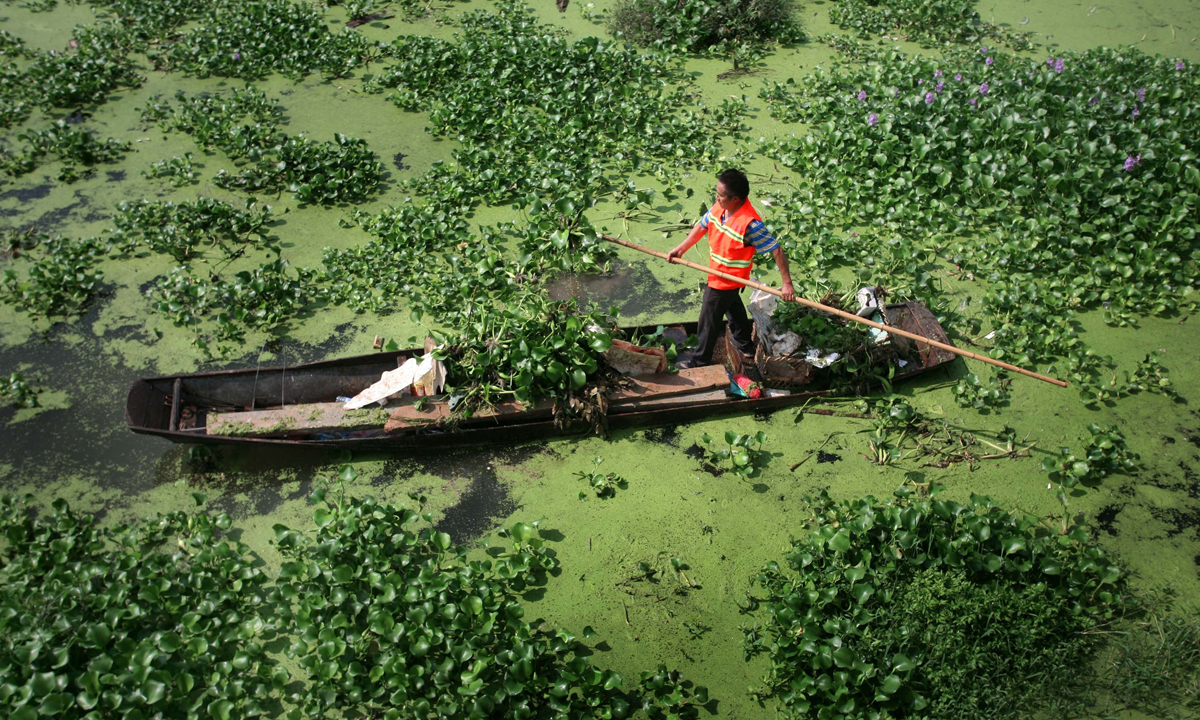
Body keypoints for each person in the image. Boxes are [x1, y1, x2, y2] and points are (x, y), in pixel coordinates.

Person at [667, 169, 795, 369]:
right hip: (719, 273)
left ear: (735, 199)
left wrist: (787, 284)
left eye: (721, 196)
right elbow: (702, 225)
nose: (716, 198)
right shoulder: (720, 208)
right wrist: (681, 249)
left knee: (708, 320)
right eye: (716, 193)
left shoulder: (750, 225)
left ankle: (699, 361)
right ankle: (745, 345)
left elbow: (776, 250)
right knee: (733, 307)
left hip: (726, 280)